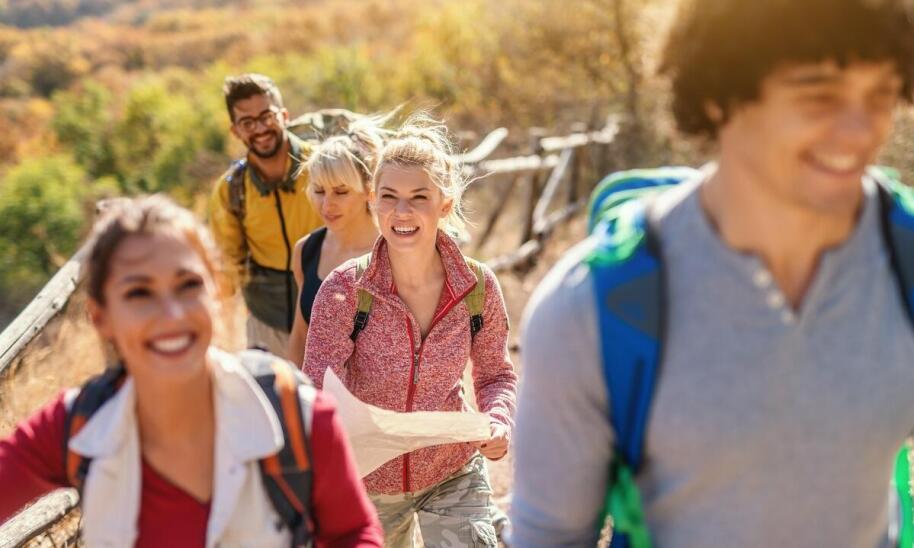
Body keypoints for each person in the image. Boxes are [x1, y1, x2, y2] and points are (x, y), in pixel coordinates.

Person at [511, 0, 914, 546]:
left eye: (882, 95)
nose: (860, 130)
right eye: (819, 95)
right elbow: (548, 537)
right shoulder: (594, 308)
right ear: (718, 97)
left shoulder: (904, 258)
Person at [0, 195, 383, 547]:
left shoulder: (296, 416)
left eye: (188, 285)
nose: (172, 315)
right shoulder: (77, 426)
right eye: (139, 293)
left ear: (216, 293)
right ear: (101, 317)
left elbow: (354, 533)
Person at [303, 114, 517, 547]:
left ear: (445, 203)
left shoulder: (477, 287)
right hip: (368, 480)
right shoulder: (345, 289)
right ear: (373, 202)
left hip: (451, 469)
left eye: (419, 197)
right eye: (389, 197)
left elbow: (495, 375)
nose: (402, 212)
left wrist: (497, 420)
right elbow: (316, 388)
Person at [208, 73, 323, 357]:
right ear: (235, 130)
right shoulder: (231, 190)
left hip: (330, 315)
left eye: (266, 116)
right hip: (266, 322)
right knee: (273, 400)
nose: (259, 128)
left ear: (283, 115)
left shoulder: (323, 167)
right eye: (247, 122)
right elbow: (227, 267)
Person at [287, 119, 386, 366]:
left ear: (368, 190)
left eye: (341, 192)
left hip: (378, 404)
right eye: (319, 191)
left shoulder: (393, 253)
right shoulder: (306, 250)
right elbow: (301, 336)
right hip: (321, 399)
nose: (327, 205)